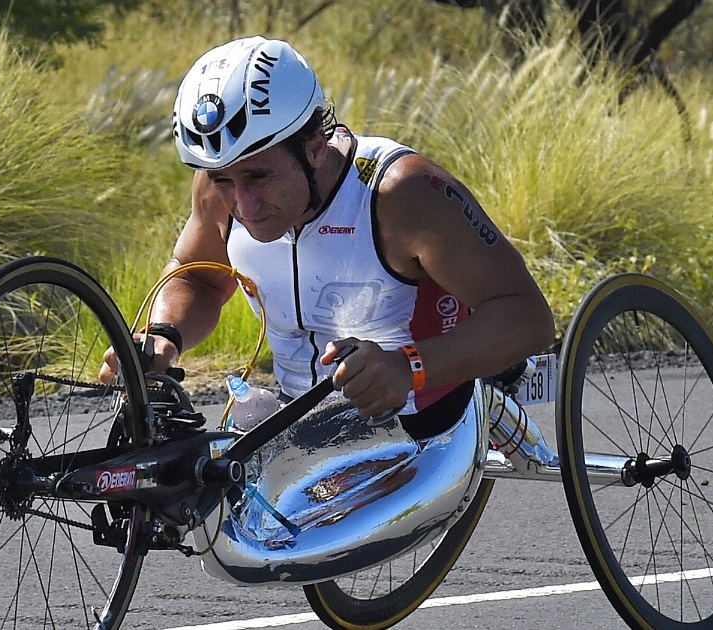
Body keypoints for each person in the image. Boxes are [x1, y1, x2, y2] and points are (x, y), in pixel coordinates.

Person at [100, 35, 553, 438]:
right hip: (300, 425)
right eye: (223, 180)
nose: (243, 205)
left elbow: (529, 318)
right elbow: (197, 277)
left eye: (259, 177)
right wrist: (164, 336)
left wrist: (408, 366)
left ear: (316, 145)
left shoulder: (402, 193)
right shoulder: (218, 190)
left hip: (421, 421)